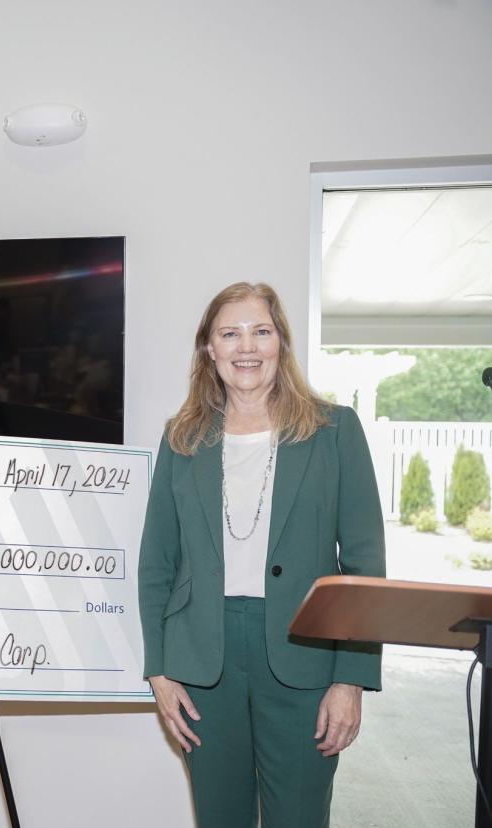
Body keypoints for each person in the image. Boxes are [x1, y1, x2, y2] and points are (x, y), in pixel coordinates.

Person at [138, 281, 385, 827]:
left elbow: (366, 567)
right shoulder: (182, 438)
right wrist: (160, 670)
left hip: (306, 657)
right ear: (210, 349)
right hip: (203, 663)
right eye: (230, 333)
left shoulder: (334, 430)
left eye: (261, 331)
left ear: (282, 343)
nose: (245, 347)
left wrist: (350, 680)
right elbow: (156, 561)